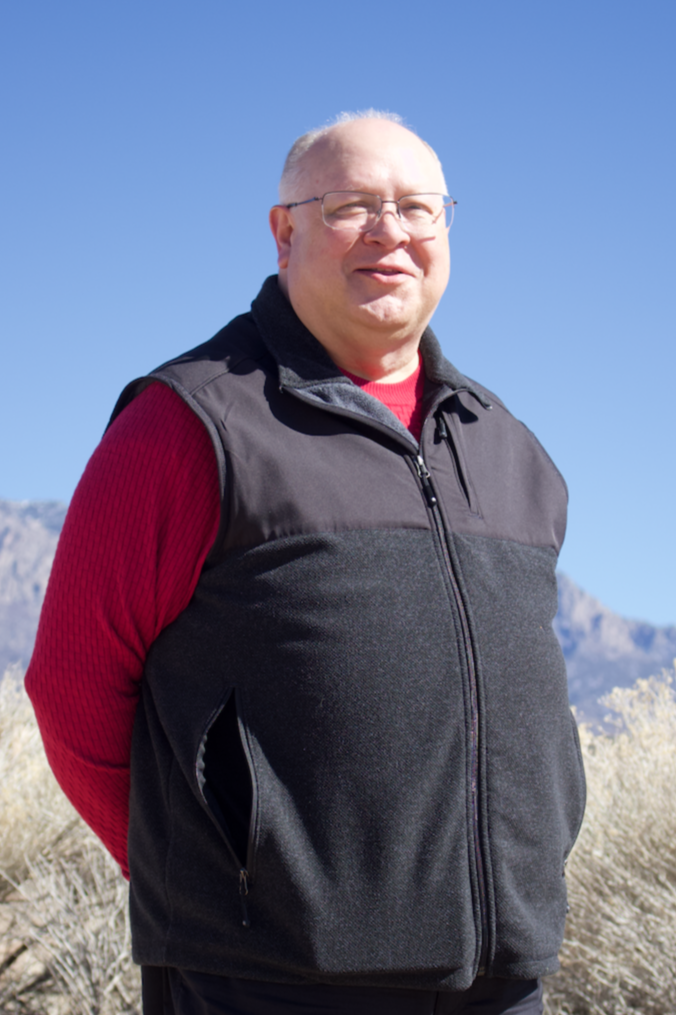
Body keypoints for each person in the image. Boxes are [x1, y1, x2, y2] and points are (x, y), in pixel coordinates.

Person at [26, 111, 586, 1015]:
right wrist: (208, 870)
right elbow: (74, 687)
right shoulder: (190, 423)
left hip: (502, 977)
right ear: (284, 232)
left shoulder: (507, 448)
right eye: (352, 205)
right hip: (266, 980)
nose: (391, 231)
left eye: (418, 207)